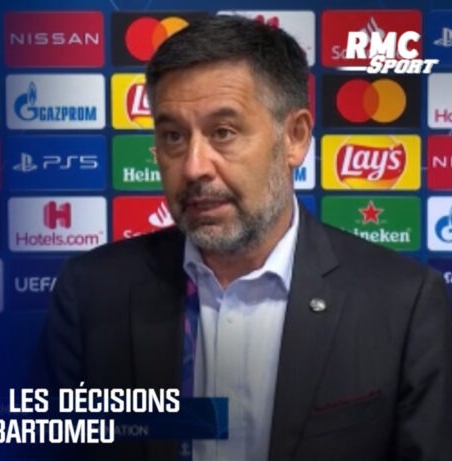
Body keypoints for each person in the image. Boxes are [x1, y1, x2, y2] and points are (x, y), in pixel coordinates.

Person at [33, 13, 452, 461]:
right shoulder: (92, 291)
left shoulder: (403, 303)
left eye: (223, 133)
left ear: (294, 138)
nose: (194, 166)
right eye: (173, 136)